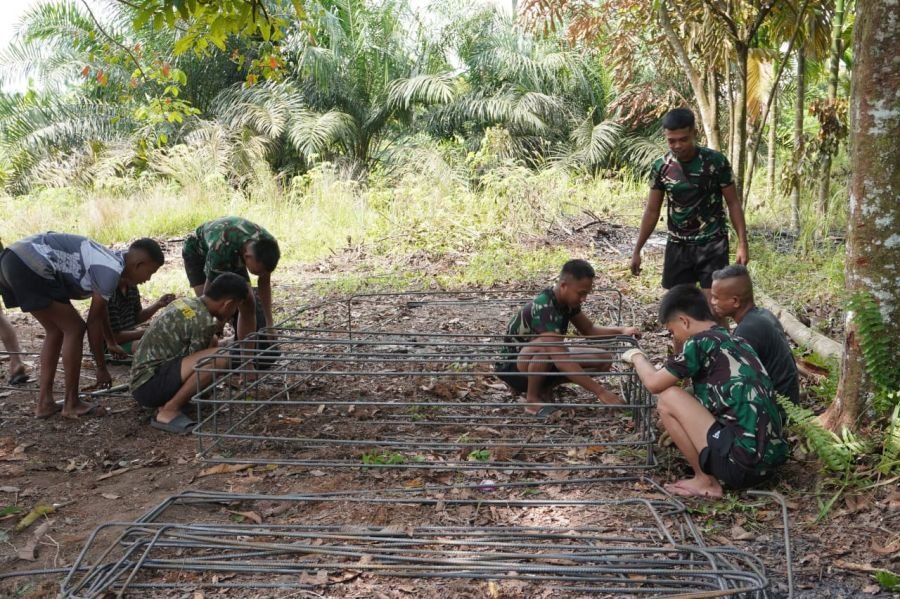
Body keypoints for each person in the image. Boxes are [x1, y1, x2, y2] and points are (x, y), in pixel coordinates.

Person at [622, 284, 788, 498]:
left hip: (741, 466)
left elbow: (654, 383)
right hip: (771, 462)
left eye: (673, 332)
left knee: (668, 398)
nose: (676, 338)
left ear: (684, 321)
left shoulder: (700, 342)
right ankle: (712, 470)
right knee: (682, 396)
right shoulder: (737, 341)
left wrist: (636, 357)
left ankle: (705, 481)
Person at [0, 234, 164, 419]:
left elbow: (101, 313)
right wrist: (101, 368)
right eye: (151, 272)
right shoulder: (110, 271)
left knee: (55, 331)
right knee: (75, 328)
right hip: (29, 263)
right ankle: (71, 403)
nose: (148, 279)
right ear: (139, 265)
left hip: (13, 259)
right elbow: (93, 321)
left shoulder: (113, 260)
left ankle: (45, 403)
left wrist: (110, 341)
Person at [630, 108, 749, 301]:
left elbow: (733, 203)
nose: (677, 145)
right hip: (678, 245)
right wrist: (637, 250)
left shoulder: (715, 162)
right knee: (679, 308)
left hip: (712, 243)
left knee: (714, 308)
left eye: (683, 139)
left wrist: (742, 244)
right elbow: (652, 210)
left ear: (695, 132)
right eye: (671, 141)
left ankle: (718, 333)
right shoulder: (661, 167)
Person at [495, 259, 639, 416]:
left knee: (604, 359)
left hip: (539, 359)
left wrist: (622, 331)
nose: (584, 299)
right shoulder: (545, 307)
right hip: (513, 367)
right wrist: (600, 391)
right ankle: (532, 399)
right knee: (547, 346)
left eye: (586, 293)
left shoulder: (567, 303)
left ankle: (545, 387)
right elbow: (561, 359)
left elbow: (589, 330)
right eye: (581, 293)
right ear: (564, 285)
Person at [131, 273, 251, 434]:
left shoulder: (188, 303)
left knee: (215, 344)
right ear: (228, 304)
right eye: (235, 308)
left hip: (143, 379)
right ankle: (169, 409)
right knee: (221, 358)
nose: (233, 313)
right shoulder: (204, 322)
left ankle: (171, 401)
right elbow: (201, 365)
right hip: (149, 387)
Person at [710, 264, 800, 405]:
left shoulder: (748, 330)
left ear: (735, 301)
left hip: (776, 412)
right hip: (787, 403)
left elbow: (733, 383)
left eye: (716, 298)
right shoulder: (763, 315)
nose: (712, 302)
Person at [182, 217, 280, 333]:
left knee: (248, 303)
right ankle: (209, 341)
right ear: (247, 257)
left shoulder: (267, 246)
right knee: (212, 307)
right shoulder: (222, 249)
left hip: (234, 248)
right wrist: (218, 323)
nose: (262, 274)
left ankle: (245, 349)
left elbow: (264, 283)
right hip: (196, 251)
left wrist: (269, 324)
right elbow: (208, 296)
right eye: (259, 272)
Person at [107, 285, 176, 356]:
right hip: (114, 347)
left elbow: (136, 318)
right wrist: (148, 331)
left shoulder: (132, 288)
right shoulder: (110, 294)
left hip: (130, 338)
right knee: (156, 346)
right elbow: (114, 337)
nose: (148, 278)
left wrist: (158, 305)